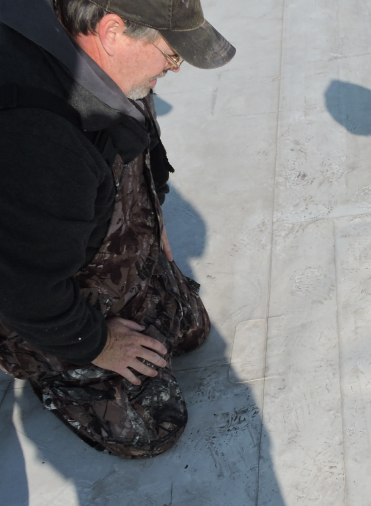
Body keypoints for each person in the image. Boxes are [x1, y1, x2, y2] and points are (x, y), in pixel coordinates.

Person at [0, 0, 235, 458]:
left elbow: (139, 124)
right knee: (152, 427)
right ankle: (47, 363)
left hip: (59, 223)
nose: (176, 68)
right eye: (172, 54)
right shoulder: (39, 141)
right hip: (22, 289)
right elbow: (23, 288)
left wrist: (154, 204)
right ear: (112, 31)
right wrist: (99, 343)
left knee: (190, 331)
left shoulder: (98, 50)